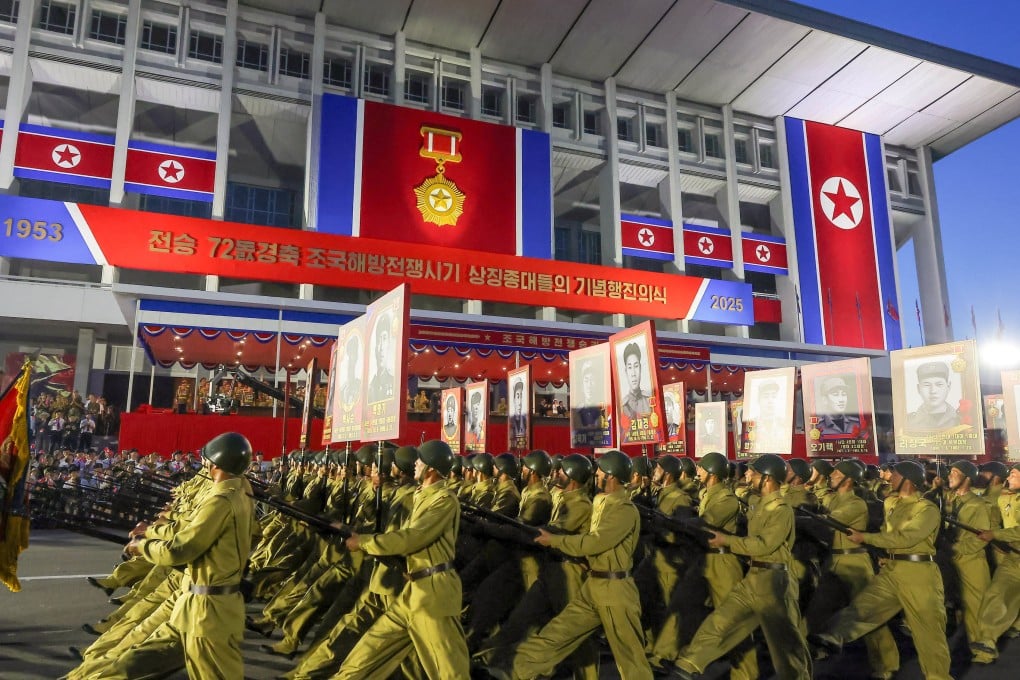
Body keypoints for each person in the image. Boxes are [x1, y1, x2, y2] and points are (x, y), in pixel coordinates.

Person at [493, 450, 652, 680]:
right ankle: (515, 671)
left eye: (600, 471)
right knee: (557, 634)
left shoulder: (625, 510)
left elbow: (595, 542)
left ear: (612, 476)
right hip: (594, 585)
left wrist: (555, 540)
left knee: (630, 659)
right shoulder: (602, 503)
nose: (596, 474)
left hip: (616, 590)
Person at [118, 432, 255, 679]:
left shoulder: (220, 501)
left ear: (214, 464)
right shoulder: (242, 491)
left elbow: (179, 550)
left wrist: (143, 547)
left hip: (207, 613)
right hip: (197, 609)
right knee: (130, 663)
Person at [335, 440, 470, 678]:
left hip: (433, 596)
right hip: (412, 593)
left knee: (450, 672)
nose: (415, 464)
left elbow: (412, 538)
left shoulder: (444, 500)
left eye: (420, 460)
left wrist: (365, 542)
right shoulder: (422, 495)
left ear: (431, 468)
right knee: (364, 656)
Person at [672, 454, 812, 680]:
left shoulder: (781, 509)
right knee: (719, 622)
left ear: (766, 479)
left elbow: (765, 544)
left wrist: (726, 541)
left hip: (775, 582)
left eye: (753, 472)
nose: (747, 474)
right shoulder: (757, 503)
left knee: (786, 647)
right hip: (754, 576)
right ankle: (687, 665)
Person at [809, 460, 952, 680]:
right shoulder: (892, 504)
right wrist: (885, 553)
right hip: (892, 570)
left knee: (929, 635)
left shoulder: (927, 509)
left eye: (895, 475)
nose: (889, 478)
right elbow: (888, 534)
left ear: (908, 480)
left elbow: (907, 537)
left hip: (919, 574)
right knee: (863, 607)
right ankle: (834, 636)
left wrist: (865, 537)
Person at [905, 361, 960, 430]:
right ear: (918, 388)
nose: (933, 391)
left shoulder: (961, 420)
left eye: (939, 384)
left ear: (948, 386)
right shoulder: (907, 422)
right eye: (927, 385)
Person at [368, 312, 394, 403]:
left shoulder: (394, 383)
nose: (381, 347)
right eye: (378, 340)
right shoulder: (369, 385)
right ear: (375, 348)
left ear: (389, 344)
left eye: (384, 339)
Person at [620, 342, 651, 419]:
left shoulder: (650, 401)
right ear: (626, 371)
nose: (633, 373)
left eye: (636, 366)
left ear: (640, 368)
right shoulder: (622, 406)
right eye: (630, 367)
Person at [339, 336, 362, 407]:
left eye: (354, 353)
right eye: (349, 352)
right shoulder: (342, 388)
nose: (351, 358)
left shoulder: (359, 385)